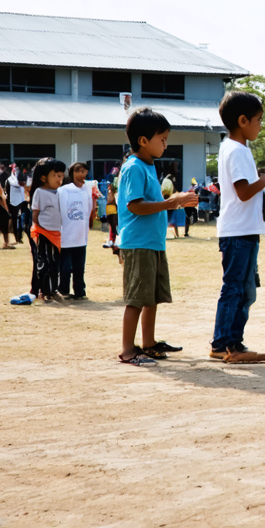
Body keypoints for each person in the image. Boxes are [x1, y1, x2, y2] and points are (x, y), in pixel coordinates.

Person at [116, 108, 197, 365]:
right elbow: (135, 205)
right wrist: (171, 203)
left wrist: (174, 201)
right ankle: (128, 349)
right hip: (138, 242)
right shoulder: (134, 167)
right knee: (137, 299)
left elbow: (150, 202)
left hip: (152, 242)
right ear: (143, 140)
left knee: (151, 297)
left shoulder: (148, 165)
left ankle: (149, 344)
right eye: (162, 139)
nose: (166, 144)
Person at [212, 91, 265, 364]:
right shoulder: (236, 151)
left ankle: (233, 342)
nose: (261, 125)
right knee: (235, 289)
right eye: (258, 119)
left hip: (244, 231)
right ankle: (223, 344)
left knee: (246, 291)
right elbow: (243, 192)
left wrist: (260, 179)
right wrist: (264, 181)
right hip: (238, 233)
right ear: (242, 121)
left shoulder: (236, 148)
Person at [28, 159, 67, 302]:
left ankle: (53, 289)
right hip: (43, 232)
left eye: (61, 176)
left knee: (55, 262)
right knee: (44, 263)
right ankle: (45, 291)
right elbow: (35, 214)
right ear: (43, 177)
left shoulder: (60, 192)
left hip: (56, 233)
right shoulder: (40, 192)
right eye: (56, 176)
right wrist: (39, 230)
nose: (59, 179)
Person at [57, 162, 96, 300]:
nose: (82, 174)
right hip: (66, 234)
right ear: (72, 173)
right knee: (65, 267)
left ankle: (80, 291)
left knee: (79, 266)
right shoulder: (64, 190)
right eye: (78, 171)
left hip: (81, 234)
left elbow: (89, 210)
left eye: (84, 171)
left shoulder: (87, 190)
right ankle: (63, 290)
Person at [7, 165, 29, 243]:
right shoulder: (10, 180)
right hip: (15, 203)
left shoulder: (21, 180)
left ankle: (19, 236)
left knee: (20, 220)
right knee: (16, 220)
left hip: (21, 202)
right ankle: (17, 237)